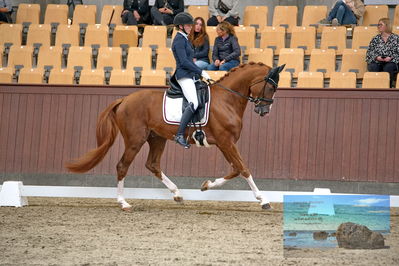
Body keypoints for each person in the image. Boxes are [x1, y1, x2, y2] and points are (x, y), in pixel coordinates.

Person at [171, 12, 211, 148]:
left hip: (191, 75)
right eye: (188, 25)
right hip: (183, 75)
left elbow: (191, 61)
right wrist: (201, 71)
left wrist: (201, 75)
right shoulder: (179, 40)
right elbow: (183, 62)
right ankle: (180, 135)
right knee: (193, 103)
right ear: (181, 26)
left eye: (190, 25)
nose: (190, 27)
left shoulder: (186, 39)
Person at [366, 18, 399, 88]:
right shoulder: (375, 39)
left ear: (387, 26)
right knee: (373, 67)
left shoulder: (396, 38)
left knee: (389, 67)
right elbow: (369, 52)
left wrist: (391, 58)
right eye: (378, 25)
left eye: (381, 24)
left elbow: (397, 52)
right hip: (377, 61)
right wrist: (377, 57)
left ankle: (387, 87)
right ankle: (375, 87)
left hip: (391, 61)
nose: (378, 26)